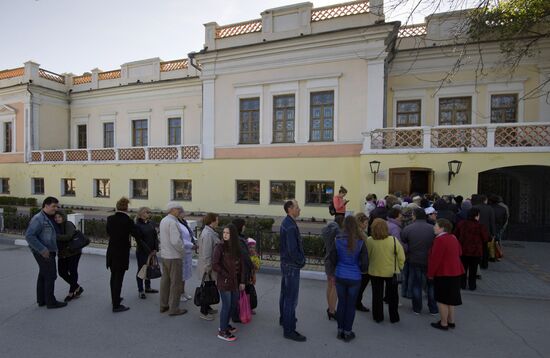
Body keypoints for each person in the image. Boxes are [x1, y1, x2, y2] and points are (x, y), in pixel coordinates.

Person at [327, 216, 369, 342]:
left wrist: (335, 270)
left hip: (340, 275)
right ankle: (347, 331)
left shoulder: (337, 239)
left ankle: (340, 331)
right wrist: (359, 268)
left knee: (342, 303)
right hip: (354, 277)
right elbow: (365, 263)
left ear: (344, 225)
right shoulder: (361, 241)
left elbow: (332, 258)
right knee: (350, 305)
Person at [25, 196, 67, 309]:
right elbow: (29, 236)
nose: (56, 208)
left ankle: (41, 300)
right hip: (44, 252)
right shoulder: (38, 219)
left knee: (43, 274)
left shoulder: (50, 216)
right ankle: (51, 302)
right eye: (53, 206)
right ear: (46, 205)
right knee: (51, 275)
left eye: (57, 206)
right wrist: (42, 249)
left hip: (49, 250)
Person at [106, 197, 143, 313]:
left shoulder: (110, 219)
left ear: (117, 207)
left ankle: (115, 298)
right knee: (119, 278)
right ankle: (116, 305)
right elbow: (136, 234)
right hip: (121, 253)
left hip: (111, 251)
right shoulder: (127, 220)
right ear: (126, 208)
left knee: (113, 277)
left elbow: (108, 232)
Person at [428, 219, 464, 331]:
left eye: (436, 225)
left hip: (444, 272)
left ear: (442, 228)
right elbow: (460, 252)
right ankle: (451, 321)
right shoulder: (453, 237)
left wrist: (430, 274)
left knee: (442, 299)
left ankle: (443, 323)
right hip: (456, 271)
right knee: (451, 298)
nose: (434, 227)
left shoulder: (439, 240)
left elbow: (435, 259)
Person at [366, 218, 405, 323]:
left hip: (374, 271)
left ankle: (378, 317)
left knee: (377, 295)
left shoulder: (369, 240)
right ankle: (394, 317)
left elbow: (367, 256)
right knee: (393, 296)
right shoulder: (393, 240)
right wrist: (399, 267)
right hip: (391, 271)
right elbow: (401, 257)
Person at [212, 224, 246, 342]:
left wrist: (242, 281)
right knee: (226, 306)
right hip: (225, 281)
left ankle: (226, 325)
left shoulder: (237, 247)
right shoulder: (220, 247)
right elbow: (215, 264)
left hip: (236, 282)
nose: (225, 235)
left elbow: (241, 266)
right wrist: (226, 274)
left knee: (233, 304)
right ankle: (222, 331)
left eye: (228, 233)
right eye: (224, 233)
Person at [279, 199, 306, 342]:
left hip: (287, 265)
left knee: (285, 294)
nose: (299, 209)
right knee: (291, 299)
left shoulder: (288, 222)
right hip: (291, 266)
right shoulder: (289, 226)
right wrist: (301, 261)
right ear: (290, 209)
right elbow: (292, 249)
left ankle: (285, 319)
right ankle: (289, 330)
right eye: (297, 207)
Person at [401, 208, 437, 315]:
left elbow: (404, 240)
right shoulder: (432, 228)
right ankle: (433, 308)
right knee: (431, 285)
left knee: (416, 284)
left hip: (414, 259)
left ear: (414, 216)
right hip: (430, 261)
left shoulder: (408, 228)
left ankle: (417, 308)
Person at [159, 202, 187, 316]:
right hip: (174, 257)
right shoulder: (173, 222)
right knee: (176, 283)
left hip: (165, 255)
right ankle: (174, 308)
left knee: (165, 282)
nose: (180, 211)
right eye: (178, 209)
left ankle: (163, 305)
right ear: (172, 209)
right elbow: (176, 241)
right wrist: (182, 250)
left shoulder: (164, 220)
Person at [454, 208, 489, 291]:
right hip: (476, 252)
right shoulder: (480, 226)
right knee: (473, 270)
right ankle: (472, 286)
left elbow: (455, 234)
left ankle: (462, 284)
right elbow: (485, 239)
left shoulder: (461, 224)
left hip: (463, 250)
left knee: (463, 269)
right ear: (476, 216)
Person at [54, 211, 84, 302]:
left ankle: (72, 292)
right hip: (62, 253)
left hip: (73, 252)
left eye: (59, 216)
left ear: (63, 217)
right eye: (55, 217)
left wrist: (55, 236)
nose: (57, 219)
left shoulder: (68, 224)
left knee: (72, 270)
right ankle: (77, 287)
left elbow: (69, 236)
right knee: (62, 272)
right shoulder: (56, 226)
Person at [197, 213, 221, 321]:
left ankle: (208, 307)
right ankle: (204, 311)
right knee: (206, 288)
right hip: (208, 266)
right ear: (212, 221)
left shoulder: (209, 232)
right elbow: (207, 252)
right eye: (217, 219)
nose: (218, 221)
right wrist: (208, 267)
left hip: (209, 265)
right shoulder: (207, 234)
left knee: (210, 286)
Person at [231, 218, 254, 323]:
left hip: (240, 270)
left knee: (240, 292)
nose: (245, 227)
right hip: (241, 271)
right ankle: (236, 315)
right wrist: (252, 265)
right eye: (243, 225)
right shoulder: (238, 240)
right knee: (238, 293)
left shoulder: (239, 238)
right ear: (240, 226)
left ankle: (241, 310)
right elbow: (244, 257)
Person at [322, 215, 344, 321]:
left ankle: (330, 307)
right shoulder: (338, 232)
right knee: (334, 287)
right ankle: (332, 310)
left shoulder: (328, 230)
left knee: (330, 285)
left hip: (328, 260)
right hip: (334, 261)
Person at [135, 207, 159, 299]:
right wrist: (149, 251)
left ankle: (148, 287)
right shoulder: (137, 225)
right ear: (141, 214)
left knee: (149, 269)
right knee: (142, 270)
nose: (149, 213)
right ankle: (141, 290)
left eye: (149, 212)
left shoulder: (151, 223)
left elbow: (155, 237)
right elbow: (139, 240)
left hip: (152, 252)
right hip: (142, 252)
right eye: (147, 212)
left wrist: (155, 249)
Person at [177, 211, 196, 302]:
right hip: (182, 250)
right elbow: (181, 239)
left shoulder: (184, 222)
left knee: (185, 274)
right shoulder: (176, 224)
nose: (184, 213)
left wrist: (195, 241)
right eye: (182, 212)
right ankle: (179, 293)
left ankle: (183, 292)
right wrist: (192, 245)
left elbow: (190, 234)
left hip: (188, 251)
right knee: (181, 274)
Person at [354, 212, 370, 313]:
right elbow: (364, 254)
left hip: (354, 265)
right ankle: (357, 304)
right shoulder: (362, 236)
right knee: (360, 288)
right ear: (360, 223)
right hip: (362, 267)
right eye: (365, 223)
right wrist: (365, 269)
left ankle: (356, 303)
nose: (366, 225)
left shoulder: (352, 232)